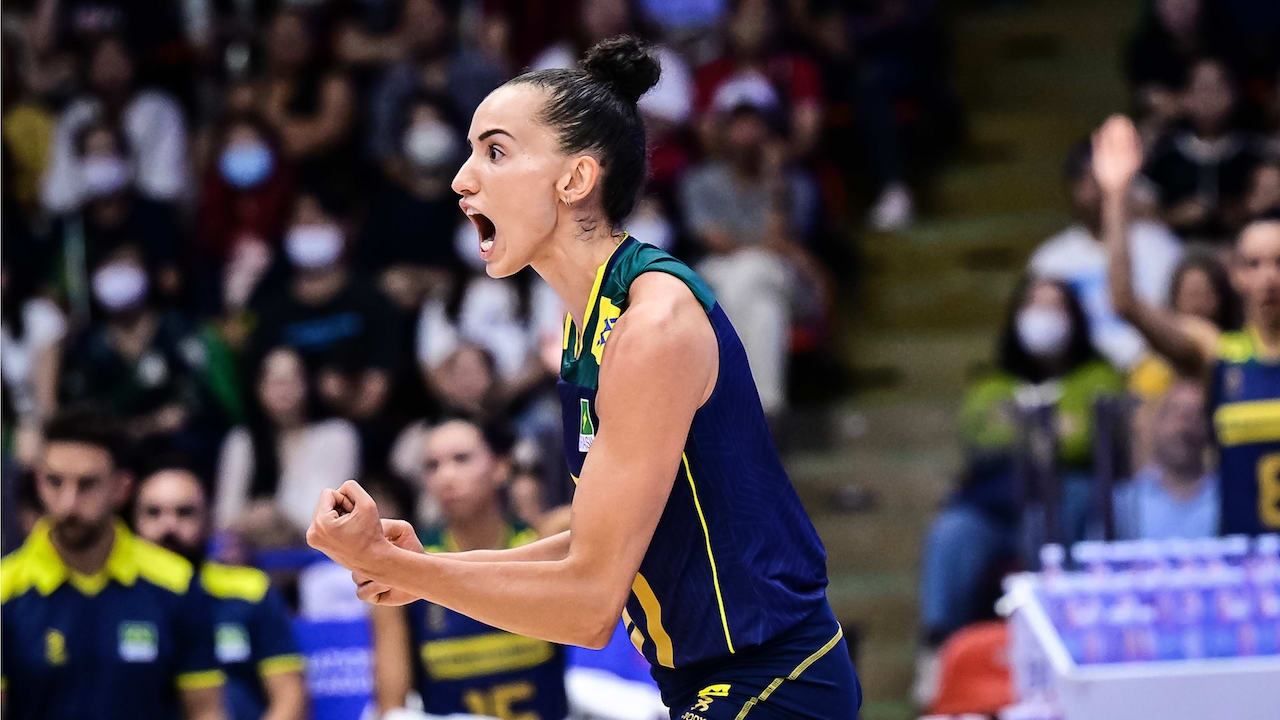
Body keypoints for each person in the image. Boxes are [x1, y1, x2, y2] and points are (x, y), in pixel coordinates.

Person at [305, 36, 861, 719]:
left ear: (574, 180)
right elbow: (594, 543)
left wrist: (404, 570)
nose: (461, 179)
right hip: (708, 680)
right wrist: (424, 572)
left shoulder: (652, 328)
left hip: (775, 679)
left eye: (495, 152)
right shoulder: (587, 325)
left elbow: (591, 604)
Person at [1094, 113, 1280, 535]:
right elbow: (1124, 302)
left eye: (1279, 263)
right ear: (1236, 275)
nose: (1269, 277)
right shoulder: (1217, 351)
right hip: (1243, 560)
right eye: (1254, 264)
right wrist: (1117, 194)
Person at [0, 410, 227, 719]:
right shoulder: (6, 589)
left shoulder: (177, 583)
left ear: (122, 488)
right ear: (39, 482)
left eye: (87, 484)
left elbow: (205, 712)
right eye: (54, 482)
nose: (68, 503)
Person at [370, 416, 568, 718]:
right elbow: (392, 707)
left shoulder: (542, 545)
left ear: (501, 467)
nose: (446, 476)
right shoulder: (405, 567)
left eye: (462, 459)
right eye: (432, 466)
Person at [133, 462, 308, 720]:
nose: (169, 525)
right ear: (134, 520)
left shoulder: (250, 590)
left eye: (184, 512)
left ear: (209, 519)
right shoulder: (114, 597)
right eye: (153, 513)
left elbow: (289, 696)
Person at [1029, 138, 1184, 370]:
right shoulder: (1049, 260)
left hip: (1156, 368)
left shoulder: (1162, 246)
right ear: (1073, 186)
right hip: (1078, 374)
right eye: (1092, 179)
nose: (1101, 190)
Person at [215, 347, 360, 547]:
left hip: (319, 555)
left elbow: (337, 515)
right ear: (258, 387)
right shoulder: (241, 441)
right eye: (274, 380)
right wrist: (254, 519)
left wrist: (280, 519)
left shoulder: (337, 435)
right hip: (253, 557)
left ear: (308, 382)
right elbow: (223, 520)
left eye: (292, 379)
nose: (283, 388)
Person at [1111, 380, 1220, 540]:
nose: (1183, 427)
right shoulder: (1125, 502)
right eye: (1175, 414)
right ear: (1157, 424)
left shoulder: (1227, 499)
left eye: (1194, 416)